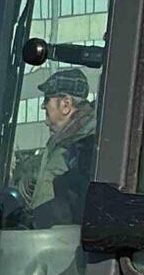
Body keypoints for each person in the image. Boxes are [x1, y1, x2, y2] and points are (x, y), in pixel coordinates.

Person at [27, 68, 97, 226]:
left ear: (66, 104)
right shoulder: (63, 142)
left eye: (47, 99)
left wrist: (36, 220)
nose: (43, 106)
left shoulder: (86, 147)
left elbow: (71, 205)